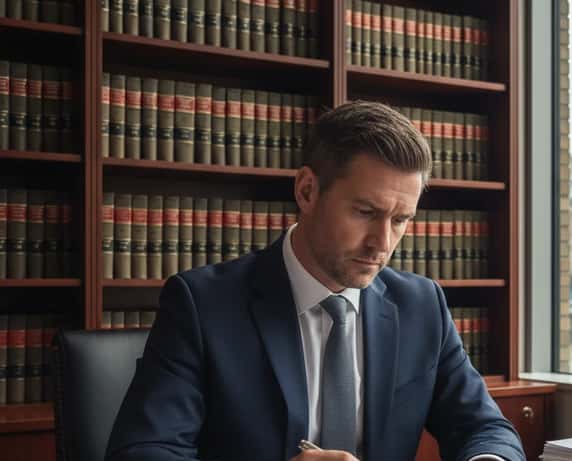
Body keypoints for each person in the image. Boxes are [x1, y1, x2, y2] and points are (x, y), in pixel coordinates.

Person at [105, 101, 525, 461]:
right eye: (364, 212)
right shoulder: (203, 304)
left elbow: (485, 428)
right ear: (307, 191)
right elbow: (146, 450)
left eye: (401, 220)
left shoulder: (421, 304)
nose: (383, 242)